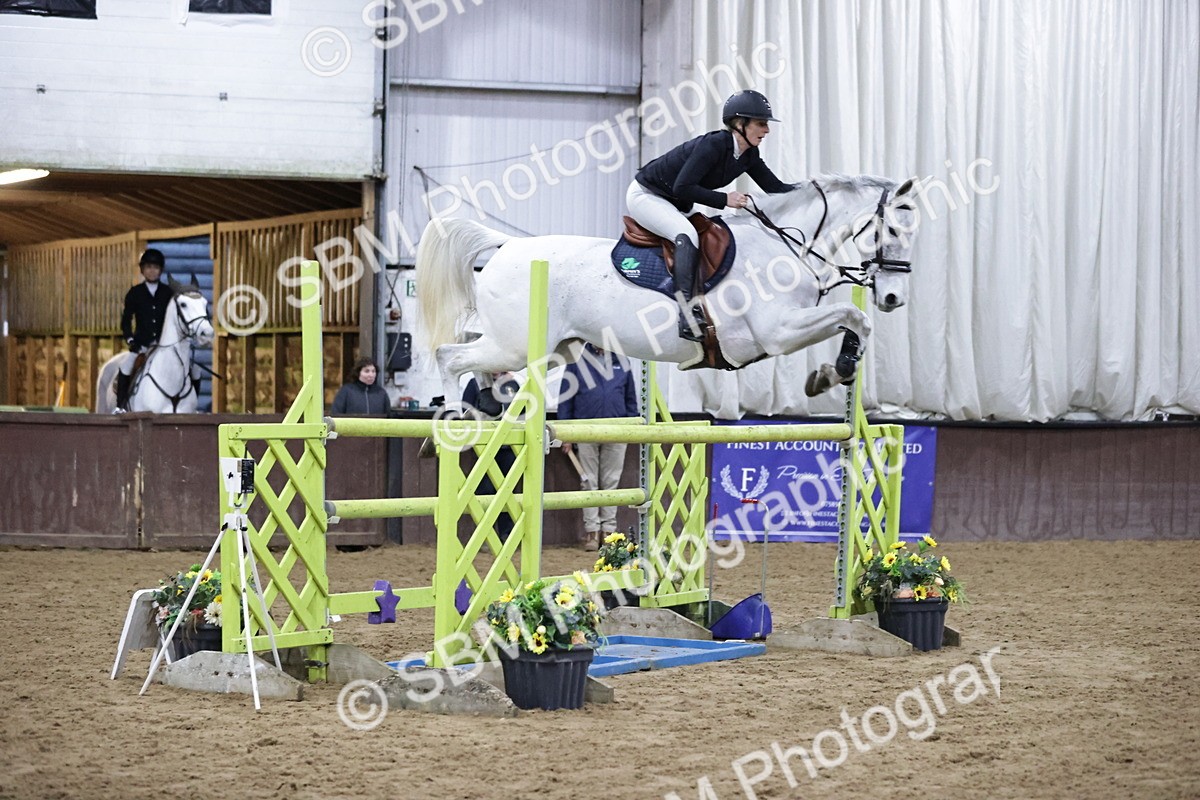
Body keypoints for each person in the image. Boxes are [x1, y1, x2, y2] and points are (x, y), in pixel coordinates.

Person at [627, 89, 795, 341]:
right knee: (687, 234)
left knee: (712, 235)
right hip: (648, 195)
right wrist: (725, 200)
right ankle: (686, 315)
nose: (767, 130)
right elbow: (682, 187)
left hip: (677, 202)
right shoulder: (714, 144)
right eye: (761, 123)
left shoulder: (749, 155)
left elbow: (776, 189)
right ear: (740, 124)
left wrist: (817, 190)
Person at [557, 345, 640, 550]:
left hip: (617, 430)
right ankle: (592, 532)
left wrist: (633, 428)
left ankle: (608, 532)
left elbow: (630, 399)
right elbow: (566, 399)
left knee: (611, 482)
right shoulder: (576, 361)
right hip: (585, 430)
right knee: (589, 482)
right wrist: (565, 433)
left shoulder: (622, 361)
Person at [115, 248, 175, 412]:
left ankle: (189, 404)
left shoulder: (168, 292)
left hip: (164, 345)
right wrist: (130, 340)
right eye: (148, 267)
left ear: (160, 270)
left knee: (191, 369)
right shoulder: (135, 293)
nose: (152, 271)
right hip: (142, 344)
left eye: (155, 267)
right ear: (143, 270)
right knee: (126, 367)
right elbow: (126, 320)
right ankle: (120, 406)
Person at [463, 373, 519, 540]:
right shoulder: (474, 384)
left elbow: (523, 412)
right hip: (485, 446)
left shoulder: (513, 384)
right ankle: (485, 533)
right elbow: (466, 411)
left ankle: (505, 534)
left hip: (509, 446)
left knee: (507, 491)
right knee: (485, 491)